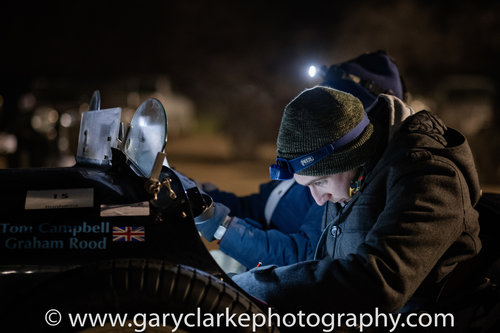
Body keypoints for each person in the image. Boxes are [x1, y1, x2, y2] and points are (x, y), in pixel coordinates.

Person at [230, 85, 481, 315]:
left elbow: (378, 284)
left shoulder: (431, 178)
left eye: (320, 182)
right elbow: (324, 264)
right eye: (307, 186)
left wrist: (253, 285)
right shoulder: (354, 179)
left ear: (352, 158)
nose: (318, 200)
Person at [197, 51, 407, 270]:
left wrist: (221, 227)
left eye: (336, 103)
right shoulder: (307, 166)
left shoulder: (341, 186)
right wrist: (195, 194)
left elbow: (305, 257)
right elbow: (256, 207)